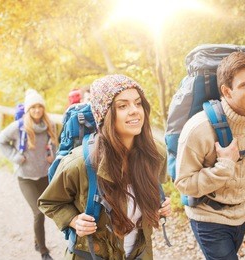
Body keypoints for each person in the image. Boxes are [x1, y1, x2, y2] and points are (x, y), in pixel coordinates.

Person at [38, 74, 171, 259]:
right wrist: (73, 220)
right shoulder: (79, 163)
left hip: (140, 253)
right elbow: (49, 202)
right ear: (105, 114)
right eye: (122, 106)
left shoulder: (155, 153)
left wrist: (159, 205)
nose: (134, 111)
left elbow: (154, 191)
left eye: (138, 103)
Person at [174, 52, 245, 260]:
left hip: (241, 213)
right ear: (226, 91)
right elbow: (183, 183)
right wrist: (224, 167)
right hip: (208, 216)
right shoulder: (199, 128)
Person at [0, 89, 58, 260]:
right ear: (28, 110)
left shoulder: (50, 125)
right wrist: (15, 157)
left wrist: (53, 154)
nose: (37, 110)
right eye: (33, 107)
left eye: (40, 106)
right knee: (38, 213)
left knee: (46, 210)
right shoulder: (19, 127)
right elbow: (0, 140)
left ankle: (37, 241)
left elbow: (55, 144)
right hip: (26, 178)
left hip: (44, 175)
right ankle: (44, 251)